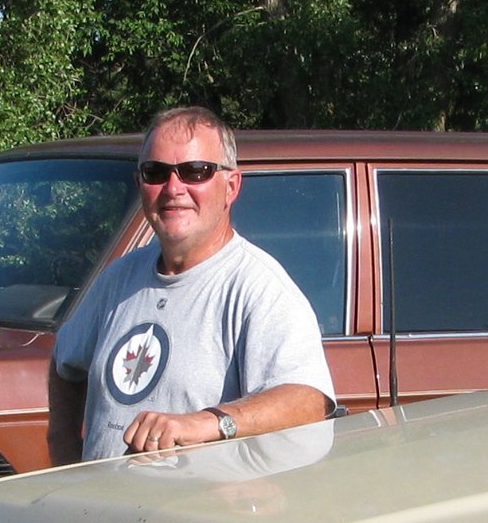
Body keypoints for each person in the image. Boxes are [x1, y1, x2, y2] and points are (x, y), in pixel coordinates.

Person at [49, 104, 335, 464]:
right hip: (106, 512)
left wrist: (208, 423)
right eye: (155, 172)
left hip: (195, 515)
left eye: (195, 172)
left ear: (231, 186)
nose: (173, 188)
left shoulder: (258, 287)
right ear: (140, 184)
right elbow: (65, 362)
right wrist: (61, 446)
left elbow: (309, 399)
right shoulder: (119, 278)